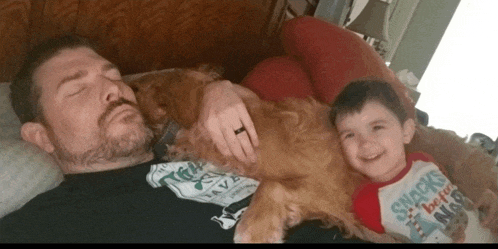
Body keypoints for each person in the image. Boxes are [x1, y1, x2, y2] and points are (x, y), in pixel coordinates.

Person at [0, 35, 361, 243]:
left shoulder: (190, 144)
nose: (113, 89)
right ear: (40, 137)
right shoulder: (52, 223)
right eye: (78, 89)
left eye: (113, 76)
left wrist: (219, 90)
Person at [329, 79, 498, 243]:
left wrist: (482, 195)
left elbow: (455, 192)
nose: (365, 143)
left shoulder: (424, 160)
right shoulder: (364, 202)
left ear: (406, 132)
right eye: (349, 135)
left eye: (377, 127)